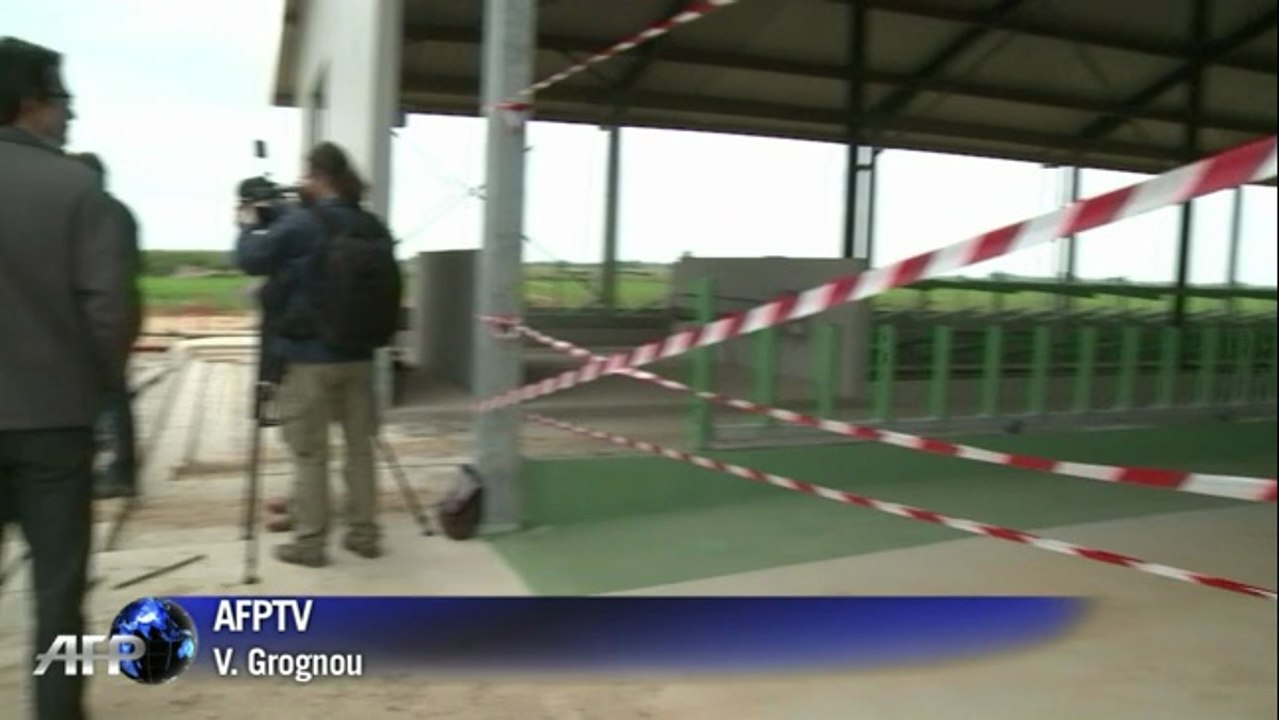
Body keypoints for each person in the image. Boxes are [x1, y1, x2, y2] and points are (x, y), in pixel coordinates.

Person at [0, 37, 135, 720]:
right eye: (63, 101)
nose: (70, 115)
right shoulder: (77, 189)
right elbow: (110, 312)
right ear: (31, 103)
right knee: (60, 590)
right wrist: (98, 388)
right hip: (54, 421)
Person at [234, 141, 391, 567]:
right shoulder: (371, 225)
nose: (301, 182)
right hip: (360, 357)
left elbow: (251, 259)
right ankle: (364, 534)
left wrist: (248, 223)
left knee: (310, 453)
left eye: (306, 175)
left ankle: (310, 543)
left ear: (320, 177)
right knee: (360, 450)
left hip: (309, 358)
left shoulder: (302, 224)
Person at [72, 152, 144, 499]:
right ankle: (119, 467)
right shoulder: (119, 211)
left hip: (102, 313)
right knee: (113, 389)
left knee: (109, 392)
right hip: (122, 308)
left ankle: (119, 470)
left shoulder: (97, 213)